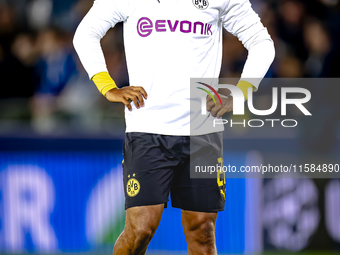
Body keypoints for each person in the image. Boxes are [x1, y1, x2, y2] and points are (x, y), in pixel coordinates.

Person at [73, 0, 275, 254]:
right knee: (141, 229)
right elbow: (86, 33)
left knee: (202, 231)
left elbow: (262, 43)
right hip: (148, 129)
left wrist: (241, 93)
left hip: (203, 131)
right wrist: (107, 85)